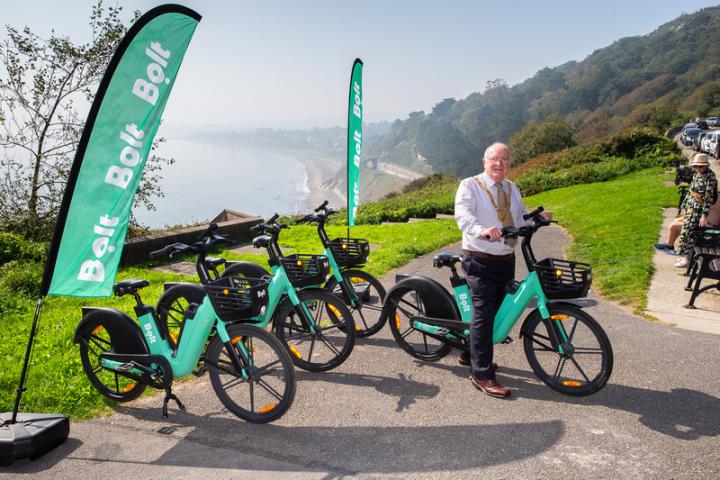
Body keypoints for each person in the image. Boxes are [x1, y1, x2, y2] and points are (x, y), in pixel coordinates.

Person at [454, 142, 551, 398]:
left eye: (505, 160)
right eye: (494, 159)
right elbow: (463, 216)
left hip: (505, 258)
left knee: (498, 311)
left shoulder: (511, 188)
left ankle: (470, 352)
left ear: (509, 164)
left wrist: (537, 219)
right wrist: (481, 230)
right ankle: (482, 374)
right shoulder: (470, 185)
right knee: (484, 315)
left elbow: (518, 219)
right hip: (479, 259)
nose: (499, 164)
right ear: (484, 161)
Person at [676, 153, 718, 268]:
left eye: (701, 166)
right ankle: (685, 255)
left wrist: (704, 215)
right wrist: (683, 205)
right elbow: (691, 191)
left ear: (706, 166)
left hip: (698, 209)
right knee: (685, 230)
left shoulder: (710, 176)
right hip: (690, 206)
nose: (698, 168)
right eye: (696, 166)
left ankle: (686, 258)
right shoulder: (696, 174)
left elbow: (708, 198)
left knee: (688, 232)